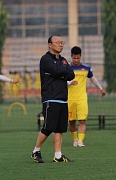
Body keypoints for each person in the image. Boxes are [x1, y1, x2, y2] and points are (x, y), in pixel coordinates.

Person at [31, 35, 75, 163]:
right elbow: (56, 71)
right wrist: (62, 73)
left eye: (62, 42)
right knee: (48, 127)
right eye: (58, 42)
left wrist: (62, 73)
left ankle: (58, 155)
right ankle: (35, 151)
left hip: (63, 98)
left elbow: (71, 74)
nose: (61, 45)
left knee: (59, 128)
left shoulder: (64, 60)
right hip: (51, 97)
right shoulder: (45, 59)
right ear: (50, 45)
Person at [67, 46, 106, 147]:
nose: (76, 60)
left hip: (82, 99)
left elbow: (93, 79)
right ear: (71, 57)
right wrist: (70, 83)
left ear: (81, 57)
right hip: (69, 99)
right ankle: (75, 139)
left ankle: (80, 141)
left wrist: (100, 88)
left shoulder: (86, 68)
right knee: (71, 122)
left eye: (78, 58)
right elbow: (61, 81)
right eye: (74, 58)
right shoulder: (67, 68)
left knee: (82, 121)